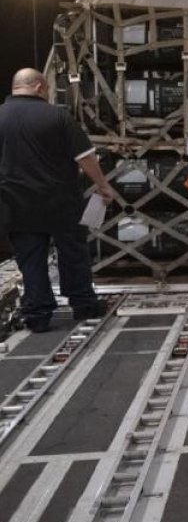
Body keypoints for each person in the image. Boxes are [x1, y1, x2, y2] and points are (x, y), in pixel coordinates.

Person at [0, 69, 117, 332]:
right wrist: (103, 186)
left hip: (15, 204)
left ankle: (38, 315)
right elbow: (85, 157)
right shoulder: (57, 116)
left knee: (30, 259)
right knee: (72, 252)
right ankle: (83, 304)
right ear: (40, 87)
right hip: (60, 200)